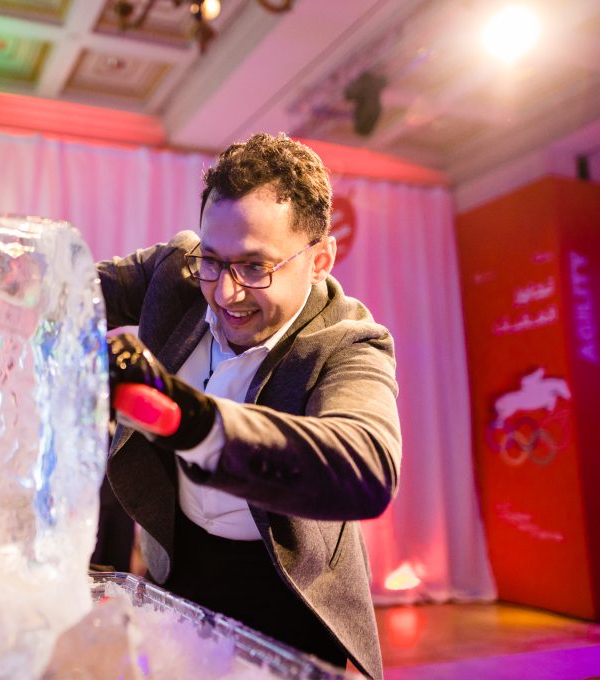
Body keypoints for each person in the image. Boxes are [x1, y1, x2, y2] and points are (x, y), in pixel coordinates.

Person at [98, 132, 401, 679]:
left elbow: (367, 465)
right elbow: (71, 287)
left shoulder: (352, 342)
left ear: (319, 260)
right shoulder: (180, 270)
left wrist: (193, 422)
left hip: (287, 590)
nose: (227, 292)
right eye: (214, 261)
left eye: (255, 268)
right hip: (179, 562)